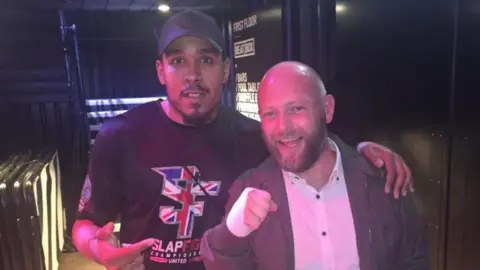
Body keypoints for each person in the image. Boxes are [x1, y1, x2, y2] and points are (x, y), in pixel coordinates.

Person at [72, 10, 415, 270]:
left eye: (206, 60)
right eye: (178, 61)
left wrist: (362, 152)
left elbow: (312, 145)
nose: (193, 74)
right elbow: (84, 224)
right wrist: (98, 249)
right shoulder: (119, 136)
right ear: (161, 70)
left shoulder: (255, 136)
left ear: (225, 70)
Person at [201, 61, 429, 270]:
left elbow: (413, 261)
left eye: (296, 109)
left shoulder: (384, 180)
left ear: (327, 109)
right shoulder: (248, 190)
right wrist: (231, 232)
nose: (283, 127)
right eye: (270, 114)